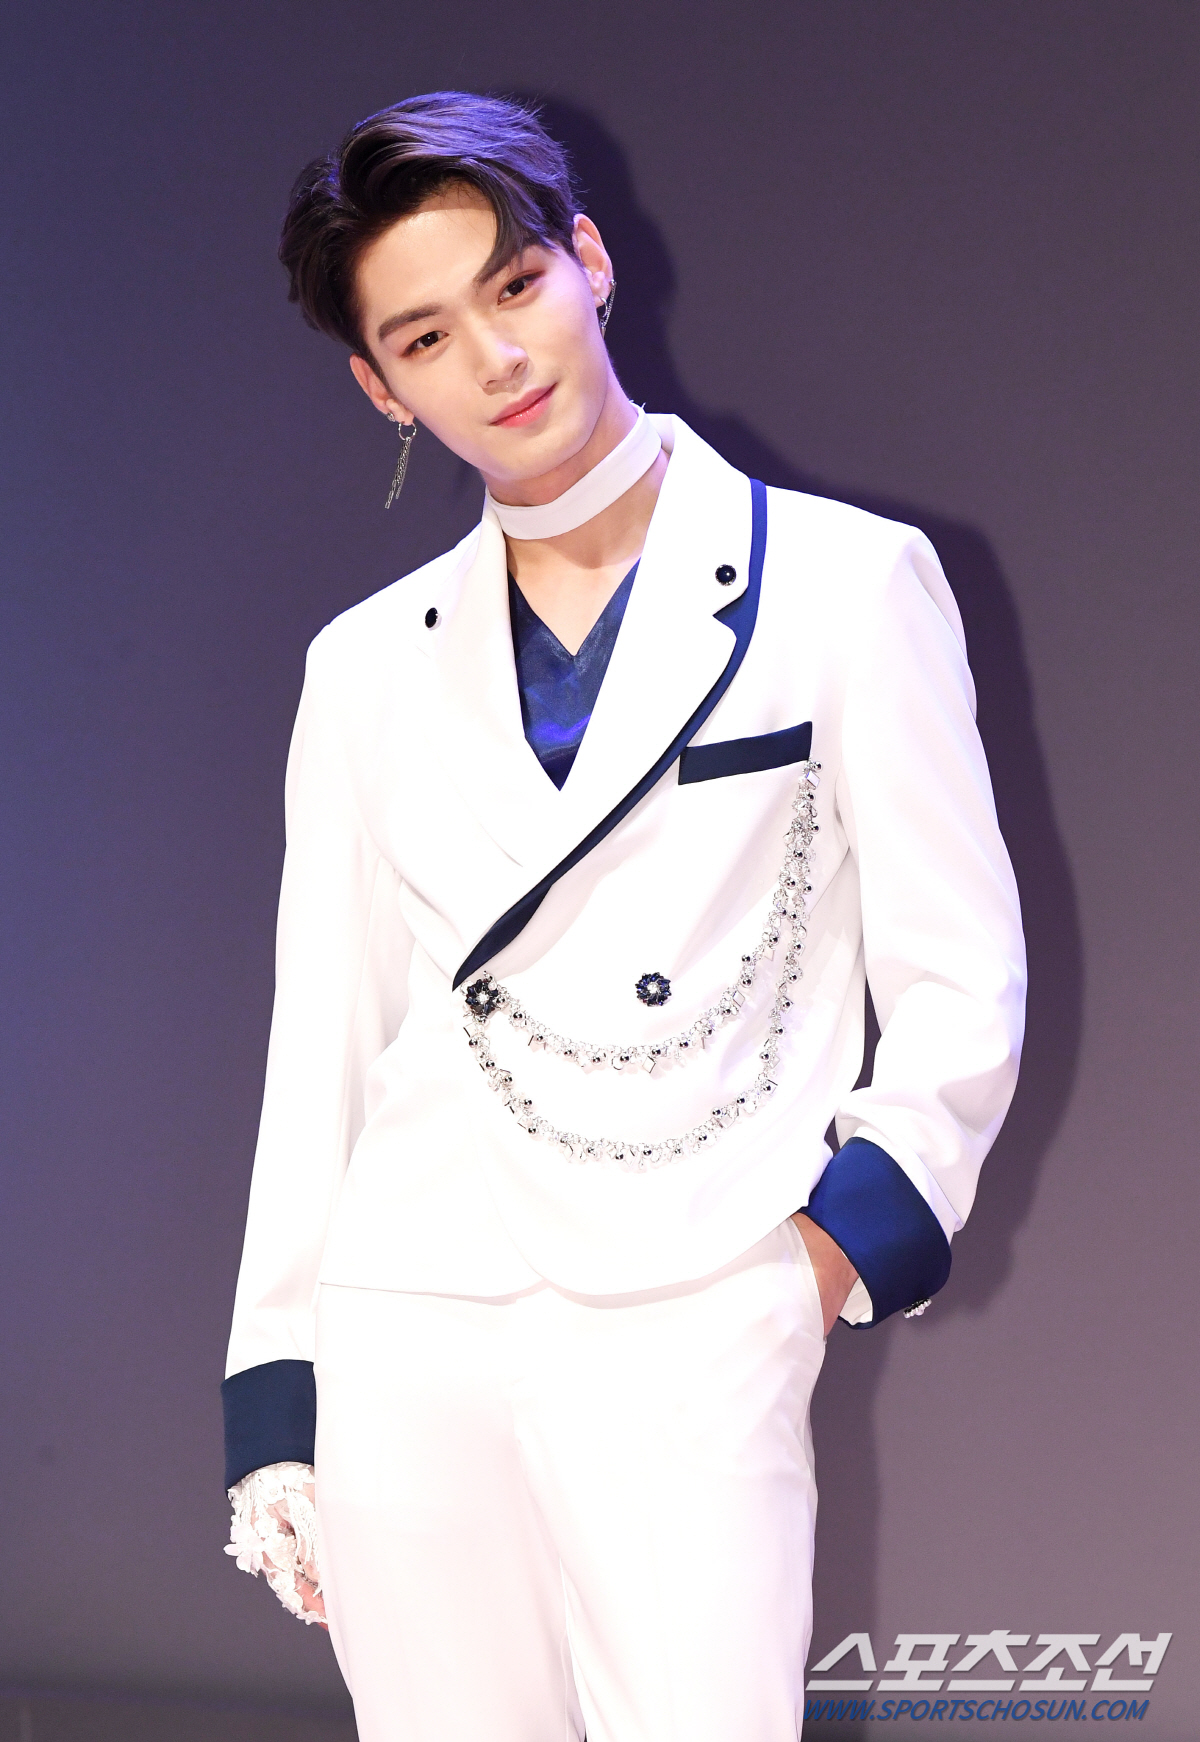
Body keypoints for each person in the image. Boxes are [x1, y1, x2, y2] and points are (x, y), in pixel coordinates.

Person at [221, 91, 1026, 1742]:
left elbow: (959, 975)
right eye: (426, 338)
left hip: (692, 1291)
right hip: (412, 1309)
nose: (496, 358)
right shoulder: (362, 667)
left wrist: (813, 1263)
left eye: (514, 286)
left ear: (587, 259)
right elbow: (326, 1041)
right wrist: (277, 1392)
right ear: (381, 385)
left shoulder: (847, 583)